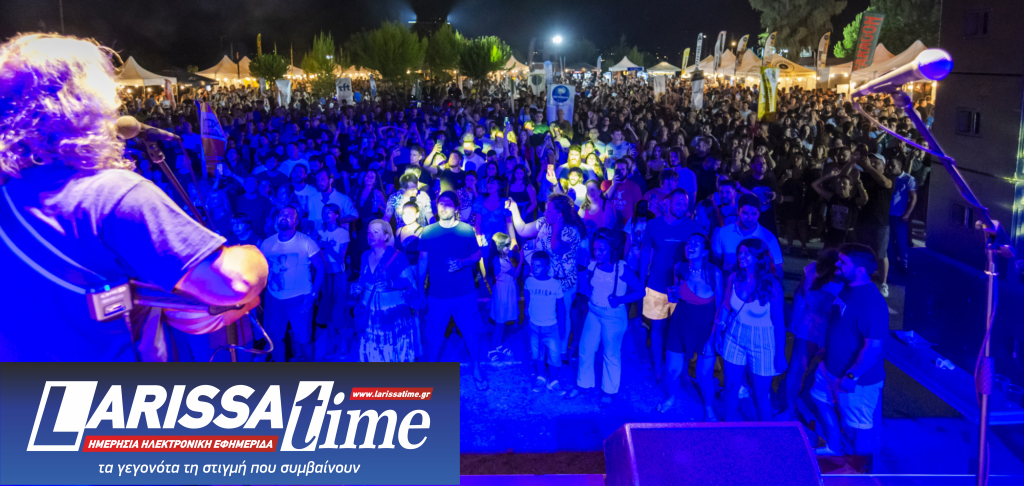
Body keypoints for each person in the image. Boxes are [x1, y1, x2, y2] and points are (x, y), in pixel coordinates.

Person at [0, 33, 266, 362]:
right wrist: (252, 255)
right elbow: (233, 283)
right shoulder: (112, 196)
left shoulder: (8, 196)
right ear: (89, 102)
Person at [811, 244, 887, 457]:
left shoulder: (872, 303)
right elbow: (844, 325)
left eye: (843, 262)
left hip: (856, 379)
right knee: (819, 398)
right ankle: (834, 446)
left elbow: (873, 347)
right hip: (830, 367)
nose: (837, 263)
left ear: (861, 270)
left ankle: (862, 472)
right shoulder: (849, 287)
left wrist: (852, 375)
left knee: (858, 428)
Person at [566, 229, 646, 406]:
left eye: (602, 249)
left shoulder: (621, 268)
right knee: (586, 349)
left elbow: (641, 291)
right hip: (594, 313)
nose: (597, 252)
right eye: (595, 249)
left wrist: (621, 299)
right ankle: (583, 385)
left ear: (612, 248)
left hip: (614, 316)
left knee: (611, 354)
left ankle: (608, 392)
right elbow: (591, 287)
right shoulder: (592, 265)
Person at [418, 191, 488, 389]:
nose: (443, 207)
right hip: (437, 296)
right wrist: (419, 290)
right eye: (440, 204)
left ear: (457, 208)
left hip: (465, 294)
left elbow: (477, 255)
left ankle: (476, 370)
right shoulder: (428, 231)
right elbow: (422, 262)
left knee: (472, 335)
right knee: (433, 338)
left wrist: (462, 262)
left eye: (448, 204)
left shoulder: (466, 229)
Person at [717, 238, 787, 422]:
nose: (741, 256)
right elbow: (725, 306)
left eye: (747, 253)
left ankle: (766, 435)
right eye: (740, 252)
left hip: (762, 340)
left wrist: (780, 355)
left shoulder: (772, 285)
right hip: (734, 336)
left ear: (759, 257)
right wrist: (719, 331)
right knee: (731, 386)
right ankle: (727, 426)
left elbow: (779, 323)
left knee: (760, 394)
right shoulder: (734, 278)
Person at [509, 193, 586, 358]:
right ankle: (544, 352)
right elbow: (522, 230)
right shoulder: (544, 222)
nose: (544, 214)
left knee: (561, 316)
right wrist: (514, 209)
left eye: (549, 211)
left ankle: (561, 352)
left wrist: (557, 225)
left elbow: (556, 247)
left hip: (563, 284)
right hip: (542, 281)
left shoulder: (571, 232)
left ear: (560, 214)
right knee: (543, 316)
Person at [658, 234, 724, 421]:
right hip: (680, 326)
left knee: (704, 376)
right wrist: (673, 297)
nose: (690, 246)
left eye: (696, 243)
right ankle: (672, 397)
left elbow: (720, 309)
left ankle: (709, 407)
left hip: (706, 330)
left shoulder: (714, 273)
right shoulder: (680, 268)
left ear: (705, 251)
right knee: (671, 370)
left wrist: (714, 338)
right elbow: (674, 298)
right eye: (688, 243)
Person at [640, 189, 703, 382]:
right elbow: (645, 253)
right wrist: (642, 280)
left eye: (685, 204)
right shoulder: (653, 225)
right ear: (667, 203)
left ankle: (682, 370)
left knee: (680, 331)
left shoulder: (693, 227)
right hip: (657, 284)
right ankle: (659, 368)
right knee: (657, 328)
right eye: (679, 204)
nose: (683, 208)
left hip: (683, 288)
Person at [779, 249, 843, 421]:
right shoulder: (811, 270)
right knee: (797, 367)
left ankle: (833, 417)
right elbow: (800, 293)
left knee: (830, 374)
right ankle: (790, 409)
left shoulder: (845, 279)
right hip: (810, 321)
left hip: (834, 328)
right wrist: (794, 320)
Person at [260, 205, 326, 363]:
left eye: (289, 215)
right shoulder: (267, 244)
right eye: (282, 214)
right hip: (274, 299)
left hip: (299, 299)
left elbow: (321, 268)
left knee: (304, 340)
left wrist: (312, 295)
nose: (284, 216)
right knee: (275, 339)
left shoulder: (306, 242)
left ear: (296, 221)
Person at [351, 219, 420, 362]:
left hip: (392, 312)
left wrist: (390, 283)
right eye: (369, 232)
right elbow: (363, 278)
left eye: (376, 232)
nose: (371, 235)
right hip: (369, 311)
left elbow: (409, 283)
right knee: (373, 347)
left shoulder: (398, 257)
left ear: (386, 236)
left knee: (392, 347)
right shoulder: (365, 255)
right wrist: (358, 286)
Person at [710, 194, 784, 279]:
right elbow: (715, 262)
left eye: (753, 214)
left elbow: (778, 269)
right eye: (745, 213)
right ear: (738, 211)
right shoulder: (723, 232)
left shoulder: (769, 238)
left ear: (759, 214)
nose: (749, 218)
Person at [524, 251, 566, 393]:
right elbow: (527, 295)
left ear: (547, 267)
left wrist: (562, 325)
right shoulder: (529, 281)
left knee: (554, 355)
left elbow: (561, 306)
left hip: (551, 327)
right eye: (533, 266)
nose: (534, 269)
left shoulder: (554, 284)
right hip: (534, 327)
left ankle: (553, 380)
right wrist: (527, 310)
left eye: (539, 266)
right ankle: (541, 377)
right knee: (538, 354)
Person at [315, 203, 352, 361]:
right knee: (326, 310)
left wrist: (326, 247)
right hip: (324, 275)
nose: (326, 214)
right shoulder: (319, 233)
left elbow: (340, 258)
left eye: (329, 212)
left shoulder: (342, 233)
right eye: (324, 212)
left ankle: (343, 342)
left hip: (338, 275)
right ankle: (332, 341)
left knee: (338, 309)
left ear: (337, 215)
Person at [487, 232, 522, 361]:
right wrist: (522, 257)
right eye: (507, 245)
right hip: (503, 293)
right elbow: (517, 274)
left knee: (502, 322)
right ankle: (491, 349)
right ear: (500, 246)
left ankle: (498, 345)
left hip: (505, 291)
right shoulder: (502, 261)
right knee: (500, 323)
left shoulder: (502, 258)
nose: (509, 246)